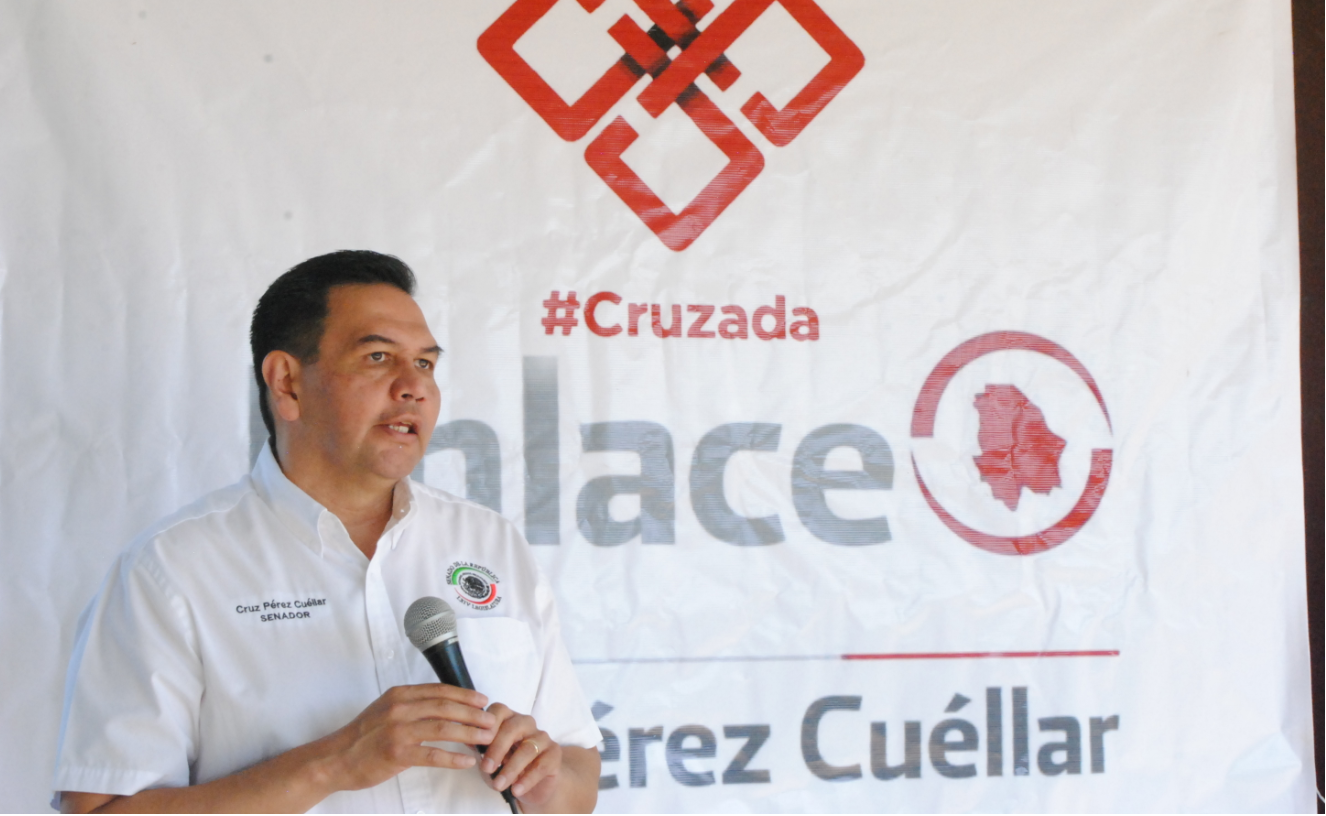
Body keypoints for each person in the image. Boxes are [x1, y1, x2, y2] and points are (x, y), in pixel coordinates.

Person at [54, 251, 600, 813]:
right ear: (287, 383)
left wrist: (545, 779)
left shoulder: (490, 542)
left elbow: (578, 769)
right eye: (378, 357)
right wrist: (334, 763)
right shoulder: (170, 569)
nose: (414, 386)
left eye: (426, 363)